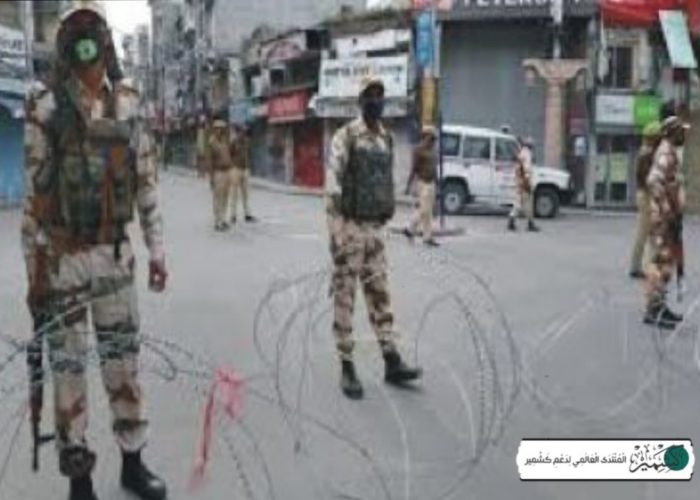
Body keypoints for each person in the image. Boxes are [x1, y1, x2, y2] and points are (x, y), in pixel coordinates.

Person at [21, 2, 168, 499]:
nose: (85, 37)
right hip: (62, 261)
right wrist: (34, 275)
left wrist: (158, 250)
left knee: (122, 363)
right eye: (75, 28)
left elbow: (145, 181)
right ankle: (79, 478)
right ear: (64, 42)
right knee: (68, 372)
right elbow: (34, 200)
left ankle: (133, 464)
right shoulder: (44, 107)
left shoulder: (127, 102)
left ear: (106, 40)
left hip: (114, 256)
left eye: (93, 27)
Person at [326, 75, 423, 400]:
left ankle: (391, 359)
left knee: (380, 294)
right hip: (351, 228)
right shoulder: (346, 136)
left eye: (380, 95)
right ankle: (346, 365)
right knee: (345, 297)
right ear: (360, 100)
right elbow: (333, 185)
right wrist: (336, 233)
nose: (376, 100)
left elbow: (384, 182)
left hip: (376, 230)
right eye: (370, 95)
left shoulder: (386, 139)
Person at [643, 116, 689, 329]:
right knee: (661, 262)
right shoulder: (665, 153)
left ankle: (660, 305)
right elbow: (653, 180)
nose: (684, 135)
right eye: (681, 131)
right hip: (663, 218)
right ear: (672, 132)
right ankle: (654, 309)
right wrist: (667, 208)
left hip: (668, 218)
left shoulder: (670, 151)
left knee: (666, 262)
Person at [629, 121, 662, 279]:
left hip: (645, 195)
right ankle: (642, 267)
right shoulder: (648, 154)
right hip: (647, 196)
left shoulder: (646, 152)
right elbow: (648, 179)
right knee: (647, 233)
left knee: (648, 233)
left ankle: (644, 266)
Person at [404, 125, 440, 247]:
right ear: (425, 136)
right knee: (424, 210)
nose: (432, 141)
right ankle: (409, 229)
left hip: (431, 183)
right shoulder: (418, 150)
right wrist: (408, 185)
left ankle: (427, 237)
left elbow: (435, 169)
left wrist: (437, 184)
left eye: (434, 139)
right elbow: (413, 168)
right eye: (431, 138)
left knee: (428, 213)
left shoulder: (433, 151)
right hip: (422, 182)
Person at [208, 120, 235, 231]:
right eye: (218, 128)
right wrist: (211, 177)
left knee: (225, 197)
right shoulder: (212, 143)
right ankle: (217, 221)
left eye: (222, 129)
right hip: (218, 172)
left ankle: (223, 219)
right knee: (217, 198)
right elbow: (210, 161)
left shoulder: (224, 142)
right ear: (214, 130)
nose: (220, 130)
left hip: (227, 172)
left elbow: (230, 155)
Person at [508, 137, 539, 232]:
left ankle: (512, 220)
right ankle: (530, 223)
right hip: (525, 182)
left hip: (519, 181)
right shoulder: (527, 154)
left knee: (518, 202)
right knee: (528, 203)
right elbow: (526, 169)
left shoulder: (521, 153)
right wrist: (528, 182)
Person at [230, 126, 256, 224]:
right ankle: (233, 215)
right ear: (238, 133)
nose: (242, 134)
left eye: (243, 132)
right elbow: (229, 154)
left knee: (246, 194)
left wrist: (249, 166)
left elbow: (249, 154)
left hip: (245, 169)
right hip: (236, 169)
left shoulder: (247, 142)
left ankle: (247, 214)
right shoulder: (233, 142)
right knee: (234, 194)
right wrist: (232, 166)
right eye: (240, 132)